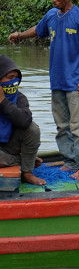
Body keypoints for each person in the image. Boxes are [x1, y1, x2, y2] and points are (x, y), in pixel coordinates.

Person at [8, 0, 79, 172]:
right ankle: (70, 162)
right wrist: (20, 36)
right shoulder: (51, 15)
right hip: (57, 81)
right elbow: (38, 30)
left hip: (76, 82)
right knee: (62, 126)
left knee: (78, 127)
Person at [0, 55, 45, 186]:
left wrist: (3, 102)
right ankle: (23, 160)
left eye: (16, 78)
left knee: (33, 128)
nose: (13, 82)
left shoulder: (20, 98)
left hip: (9, 147)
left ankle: (27, 172)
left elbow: (25, 122)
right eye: (9, 78)